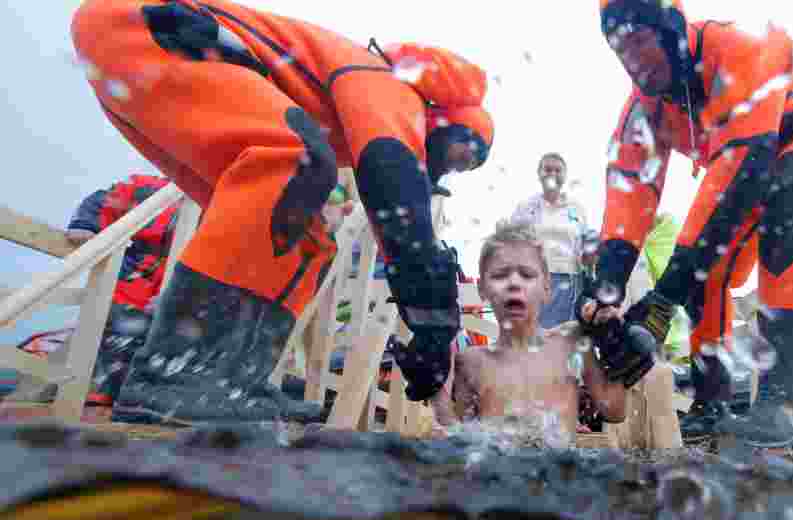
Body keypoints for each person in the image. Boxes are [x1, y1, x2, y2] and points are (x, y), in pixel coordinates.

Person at [72, 0, 494, 425]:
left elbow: (395, 208)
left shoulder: (368, 100)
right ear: (444, 122)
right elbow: (393, 191)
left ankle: (229, 380)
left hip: (153, 53)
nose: (455, 170)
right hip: (158, 29)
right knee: (299, 161)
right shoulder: (388, 86)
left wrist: (429, 317)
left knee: (302, 231)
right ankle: (173, 376)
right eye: (464, 155)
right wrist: (433, 322)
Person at [580, 0, 793, 447]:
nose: (630, 62)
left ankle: (782, 402)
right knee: (702, 271)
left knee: (790, 194)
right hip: (745, 164)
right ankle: (711, 401)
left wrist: (660, 301)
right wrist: (604, 293)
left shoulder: (736, 47)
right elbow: (627, 199)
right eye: (619, 50)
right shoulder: (644, 110)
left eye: (638, 42)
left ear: (670, 29)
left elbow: (746, 164)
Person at [434, 223, 626, 442]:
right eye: (500, 275)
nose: (514, 283)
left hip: (560, 472)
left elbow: (615, 411)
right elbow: (460, 441)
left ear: (547, 288)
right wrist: (437, 395)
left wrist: (619, 355)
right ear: (482, 290)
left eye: (526, 274)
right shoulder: (471, 361)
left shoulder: (571, 342)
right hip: (498, 473)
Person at [64, 174, 182, 406]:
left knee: (175, 341)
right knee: (117, 329)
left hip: (188, 277)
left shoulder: (233, 205)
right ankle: (103, 391)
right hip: (138, 272)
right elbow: (105, 200)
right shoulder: (149, 188)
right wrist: (85, 225)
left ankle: (147, 400)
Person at [507, 153, 590, 328]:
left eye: (558, 170)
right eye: (547, 169)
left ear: (565, 176)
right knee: (533, 335)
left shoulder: (576, 208)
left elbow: (586, 245)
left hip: (570, 282)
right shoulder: (525, 207)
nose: (552, 173)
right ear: (539, 174)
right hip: (533, 280)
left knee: (564, 338)